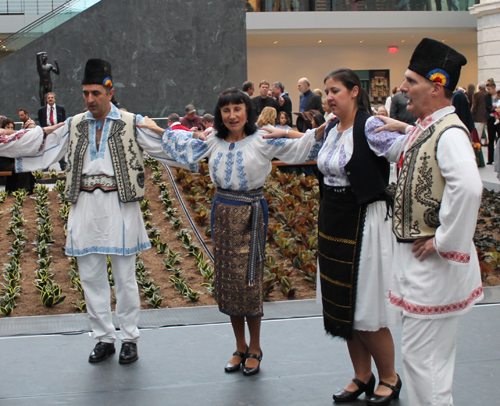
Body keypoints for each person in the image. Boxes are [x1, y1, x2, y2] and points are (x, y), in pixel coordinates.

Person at [10, 58, 196, 365]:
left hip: (120, 208)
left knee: (125, 279)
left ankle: (129, 337)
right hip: (84, 207)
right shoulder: (74, 124)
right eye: (85, 93)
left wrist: (201, 146)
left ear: (109, 91)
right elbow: (42, 149)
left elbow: (165, 145)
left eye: (95, 92)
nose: (90, 99)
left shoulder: (130, 122)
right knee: (91, 277)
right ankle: (103, 337)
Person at [138, 87, 324, 377]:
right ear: (220, 114)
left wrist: (291, 133)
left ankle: (257, 347)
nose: (232, 115)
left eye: (238, 108)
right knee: (229, 282)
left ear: (247, 111)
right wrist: (154, 129)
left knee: (249, 280)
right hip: (223, 213)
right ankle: (240, 346)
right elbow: (179, 143)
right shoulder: (213, 139)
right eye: (226, 110)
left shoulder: (262, 138)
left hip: (251, 214)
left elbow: (305, 147)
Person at [264, 69, 404, 405]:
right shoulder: (329, 128)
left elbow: (407, 148)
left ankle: (390, 377)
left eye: (335, 90)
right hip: (333, 221)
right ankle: (362, 375)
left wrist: (408, 127)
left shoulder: (369, 126)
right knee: (344, 306)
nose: (329, 97)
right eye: (326, 91)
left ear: (355, 92)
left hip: (364, 223)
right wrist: (276, 132)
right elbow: (303, 143)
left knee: (366, 307)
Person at [378, 38, 483, 406]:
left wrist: (443, 240)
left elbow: (469, 188)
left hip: (434, 266)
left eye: (411, 81)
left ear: (436, 87)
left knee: (425, 366)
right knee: (425, 363)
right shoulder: (430, 126)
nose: (403, 88)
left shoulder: (449, 132)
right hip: (422, 267)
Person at [38, 92, 68, 171]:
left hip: (58, 131)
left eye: (52, 97)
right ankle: (46, 166)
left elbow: (64, 120)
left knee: (60, 147)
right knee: (47, 148)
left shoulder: (60, 109)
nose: (50, 99)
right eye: (49, 98)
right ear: (46, 100)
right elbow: (41, 121)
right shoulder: (41, 110)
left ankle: (63, 165)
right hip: (47, 131)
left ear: (54, 99)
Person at [485, 80, 500, 164]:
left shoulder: (498, 95)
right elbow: (487, 106)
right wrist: (494, 109)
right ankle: (490, 159)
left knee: (499, 138)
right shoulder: (487, 96)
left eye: (489, 89)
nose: (488, 91)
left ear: (494, 87)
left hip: (498, 118)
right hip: (490, 118)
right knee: (491, 138)